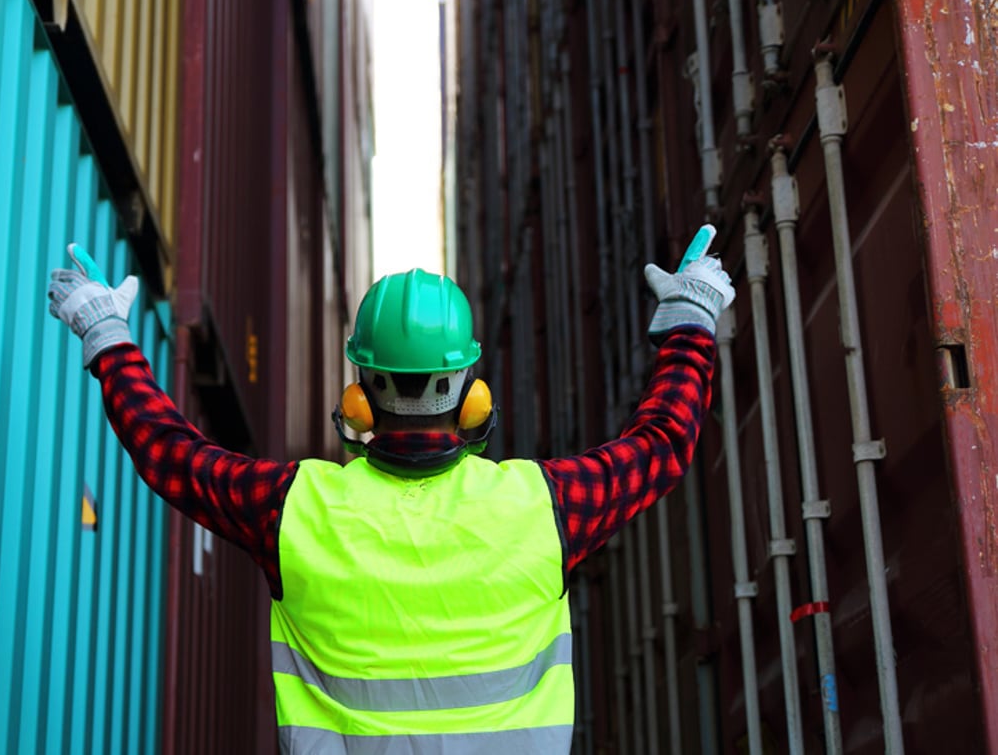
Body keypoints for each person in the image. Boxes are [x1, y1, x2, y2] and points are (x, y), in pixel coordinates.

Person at [47, 233, 734, 754]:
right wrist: (689, 320)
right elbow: (663, 443)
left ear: (361, 392)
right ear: (471, 390)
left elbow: (171, 454)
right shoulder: (541, 508)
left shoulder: (295, 509)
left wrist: (109, 338)